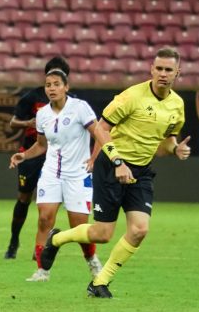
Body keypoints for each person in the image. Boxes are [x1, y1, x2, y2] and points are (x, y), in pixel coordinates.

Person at [40, 47, 190, 298]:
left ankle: (100, 282)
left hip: (140, 172)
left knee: (140, 229)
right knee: (102, 234)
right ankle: (56, 239)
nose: (163, 74)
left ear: (178, 73)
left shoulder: (177, 105)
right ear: (152, 69)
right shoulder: (131, 96)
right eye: (159, 68)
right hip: (112, 166)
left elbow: (166, 140)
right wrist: (118, 161)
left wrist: (175, 148)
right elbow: (102, 128)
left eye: (169, 70)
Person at [9, 67, 103, 282]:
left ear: (66, 87)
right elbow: (41, 145)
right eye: (48, 85)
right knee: (44, 219)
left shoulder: (80, 108)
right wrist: (24, 156)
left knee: (79, 227)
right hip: (51, 173)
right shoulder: (42, 114)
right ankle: (42, 270)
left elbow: (99, 133)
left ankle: (92, 260)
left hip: (78, 174)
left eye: (56, 84)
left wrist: (93, 159)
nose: (52, 88)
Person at [4, 56, 70, 259]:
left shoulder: (72, 103)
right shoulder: (32, 98)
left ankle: (39, 247)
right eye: (51, 77)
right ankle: (14, 240)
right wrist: (29, 123)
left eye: (60, 78)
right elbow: (13, 122)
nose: (54, 83)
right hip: (32, 153)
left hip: (55, 155)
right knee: (24, 198)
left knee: (49, 202)